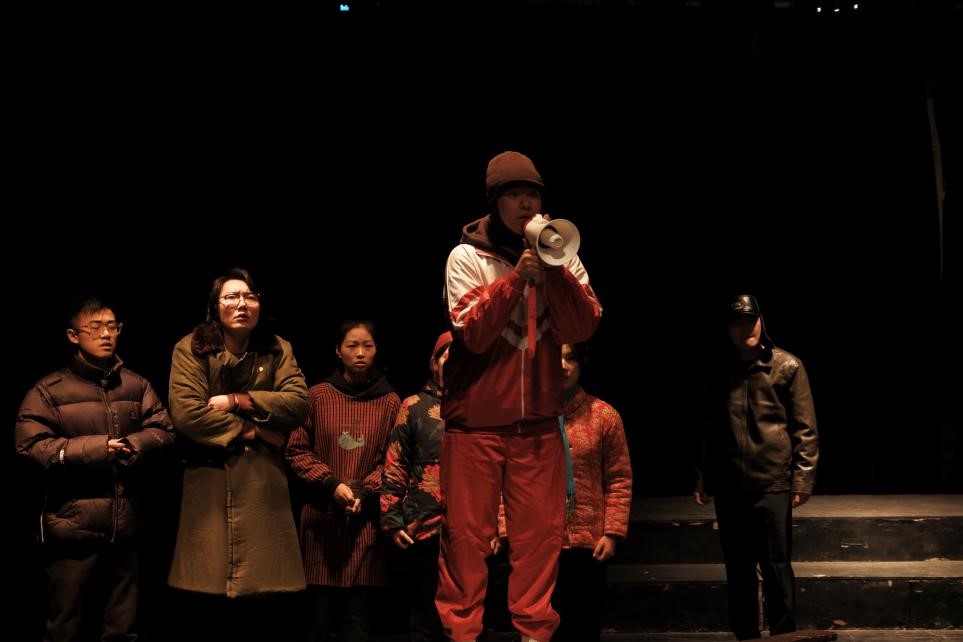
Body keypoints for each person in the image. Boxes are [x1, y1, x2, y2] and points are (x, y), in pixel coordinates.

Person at [437, 150, 602, 642]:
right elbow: (472, 334)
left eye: (532, 194)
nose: (526, 203)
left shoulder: (560, 254)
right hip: (475, 427)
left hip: (538, 427)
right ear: (495, 202)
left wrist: (554, 270)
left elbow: (583, 326)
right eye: (514, 195)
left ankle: (534, 635)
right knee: (466, 541)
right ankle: (462, 635)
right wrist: (515, 280)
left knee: (539, 541)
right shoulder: (466, 256)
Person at [14, 296, 174, 642]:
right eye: (96, 327)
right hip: (73, 527)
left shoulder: (136, 385)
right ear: (73, 335)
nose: (106, 334)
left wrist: (133, 444)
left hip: (126, 525)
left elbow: (165, 431)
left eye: (112, 327)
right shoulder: (49, 390)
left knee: (123, 630)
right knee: (66, 627)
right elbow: (30, 447)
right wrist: (99, 448)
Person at [167, 267, 308, 640]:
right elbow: (188, 413)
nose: (242, 304)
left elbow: (297, 403)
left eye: (249, 296)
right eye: (231, 297)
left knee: (265, 594)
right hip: (210, 479)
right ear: (216, 307)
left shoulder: (277, 348)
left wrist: (237, 400)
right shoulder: (191, 348)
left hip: (263, 482)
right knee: (209, 590)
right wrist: (253, 430)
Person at [694, 294, 819, 640]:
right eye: (737, 322)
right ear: (727, 329)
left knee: (776, 566)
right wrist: (703, 477)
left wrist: (802, 479)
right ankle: (746, 637)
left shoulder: (788, 366)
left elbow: (805, 428)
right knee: (738, 569)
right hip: (730, 484)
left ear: (762, 321)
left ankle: (783, 636)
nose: (745, 328)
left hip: (772, 483)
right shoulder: (719, 369)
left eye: (750, 320)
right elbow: (708, 427)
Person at [286, 319, 401, 642]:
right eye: (352, 346)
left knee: (357, 617)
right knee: (318, 617)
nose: (360, 353)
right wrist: (331, 484)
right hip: (321, 518)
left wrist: (365, 490)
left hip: (364, 520)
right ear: (338, 351)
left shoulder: (390, 402)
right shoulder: (317, 396)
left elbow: (393, 458)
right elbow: (296, 449)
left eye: (367, 346)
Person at [551, 342, 632, 642]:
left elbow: (619, 478)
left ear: (581, 364)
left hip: (590, 540)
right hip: (541, 541)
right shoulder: (530, 417)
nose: (563, 366)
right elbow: (511, 476)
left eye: (570, 358)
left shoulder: (603, 416)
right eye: (555, 358)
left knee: (584, 624)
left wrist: (612, 533)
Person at [380, 331, 453, 642]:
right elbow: (396, 464)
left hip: (471, 527)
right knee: (424, 615)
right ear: (434, 363)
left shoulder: (483, 407)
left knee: (467, 616)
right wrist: (392, 520)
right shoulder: (413, 406)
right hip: (422, 525)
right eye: (449, 357)